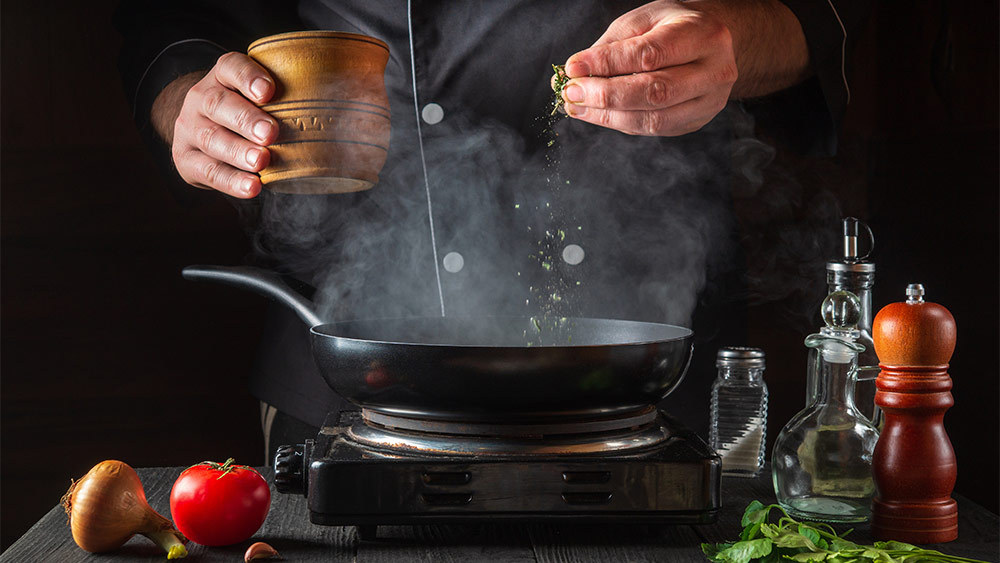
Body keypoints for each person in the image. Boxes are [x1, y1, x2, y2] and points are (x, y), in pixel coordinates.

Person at [116, 0, 872, 462]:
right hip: (343, 386)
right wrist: (189, 101)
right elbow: (170, 12)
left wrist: (735, 34)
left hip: (650, 389)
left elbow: (826, 13)